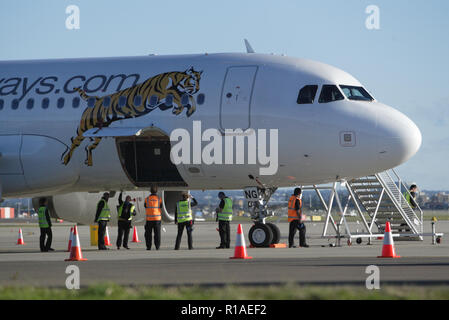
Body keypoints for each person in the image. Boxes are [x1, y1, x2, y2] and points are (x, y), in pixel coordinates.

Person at [144, 186, 162, 250]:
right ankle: (157, 246)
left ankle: (148, 247)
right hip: (157, 219)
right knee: (157, 234)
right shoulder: (159, 199)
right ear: (156, 191)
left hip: (149, 219)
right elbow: (161, 206)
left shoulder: (147, 199)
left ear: (150, 191)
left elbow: (145, 206)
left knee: (148, 234)